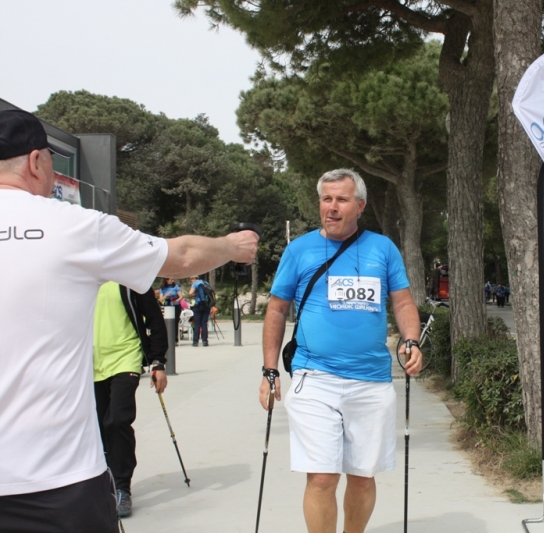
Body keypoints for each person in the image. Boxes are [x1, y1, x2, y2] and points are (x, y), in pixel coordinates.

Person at [0, 109, 258, 532]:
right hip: (57, 482)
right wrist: (231, 246)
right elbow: (182, 257)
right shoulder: (74, 226)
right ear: (35, 162)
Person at [260, 168, 422, 533]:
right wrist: (269, 371)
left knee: (362, 477)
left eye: (342, 200)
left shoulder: (383, 248)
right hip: (314, 377)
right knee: (321, 477)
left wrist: (411, 340)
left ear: (360, 206)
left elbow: (403, 303)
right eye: (326, 199)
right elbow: (277, 310)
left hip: (372, 381)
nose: (332, 207)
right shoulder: (299, 250)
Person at [94, 282, 168, 518]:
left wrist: (158, 361)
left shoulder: (129, 279)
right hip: (90, 364)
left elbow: (155, 320)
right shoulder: (82, 276)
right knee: (98, 427)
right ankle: (104, 482)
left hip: (126, 357)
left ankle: (122, 487)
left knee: (117, 420)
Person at [158, 277, 183, 342]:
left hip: (176, 306)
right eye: (171, 279)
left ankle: (175, 338)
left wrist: (176, 300)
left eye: (173, 279)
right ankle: (168, 338)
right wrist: (166, 296)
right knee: (167, 322)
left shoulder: (176, 286)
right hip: (167, 306)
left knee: (175, 322)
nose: (172, 281)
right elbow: (161, 299)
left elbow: (181, 296)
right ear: (167, 280)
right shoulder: (162, 288)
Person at [189, 275, 211, 347]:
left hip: (198, 305)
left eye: (191, 279)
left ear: (194, 278)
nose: (191, 281)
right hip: (206, 305)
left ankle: (195, 341)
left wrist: (194, 295)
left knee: (197, 324)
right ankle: (205, 341)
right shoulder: (206, 283)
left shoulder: (195, 284)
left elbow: (190, 293)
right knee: (204, 324)